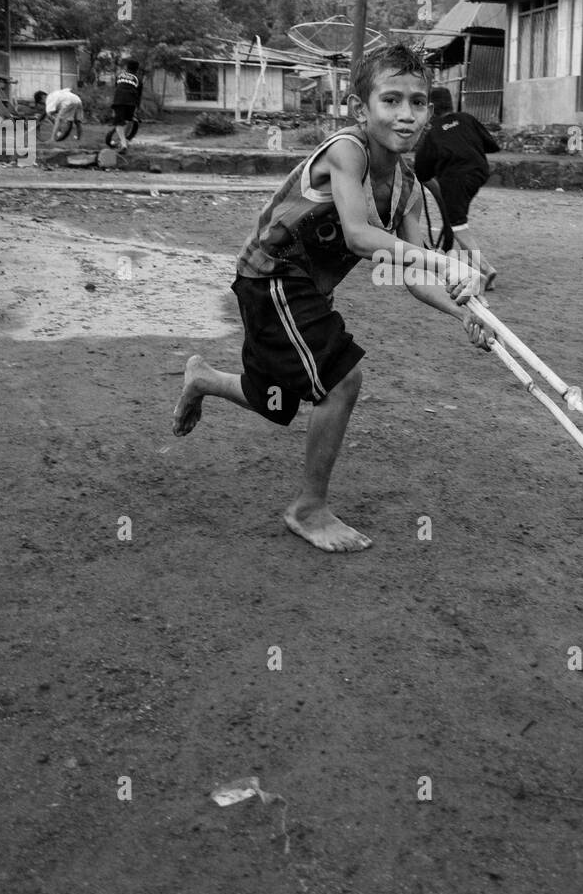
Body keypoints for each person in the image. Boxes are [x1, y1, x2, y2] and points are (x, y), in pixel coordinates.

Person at [172, 43, 493, 554]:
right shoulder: (348, 151)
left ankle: (204, 379)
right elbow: (359, 237)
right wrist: (446, 261)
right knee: (342, 379)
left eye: (417, 102)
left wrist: (466, 312)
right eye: (390, 100)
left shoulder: (409, 185)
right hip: (270, 276)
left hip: (301, 290)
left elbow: (407, 270)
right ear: (360, 107)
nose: (405, 115)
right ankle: (309, 508)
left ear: (430, 110)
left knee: (272, 399)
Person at [414, 85, 500, 289]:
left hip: (455, 179)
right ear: (452, 103)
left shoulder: (433, 134)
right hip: (479, 172)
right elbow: (493, 145)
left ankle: (486, 269)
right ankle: (468, 260)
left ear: (430, 109)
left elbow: (422, 172)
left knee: (457, 224)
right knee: (456, 216)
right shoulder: (467, 119)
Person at [111, 57, 143, 151]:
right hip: (131, 102)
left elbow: (117, 88)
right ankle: (124, 140)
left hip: (119, 100)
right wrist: (138, 107)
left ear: (126, 67)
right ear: (137, 69)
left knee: (118, 123)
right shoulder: (138, 79)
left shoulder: (120, 76)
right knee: (129, 120)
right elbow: (139, 95)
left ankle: (123, 143)